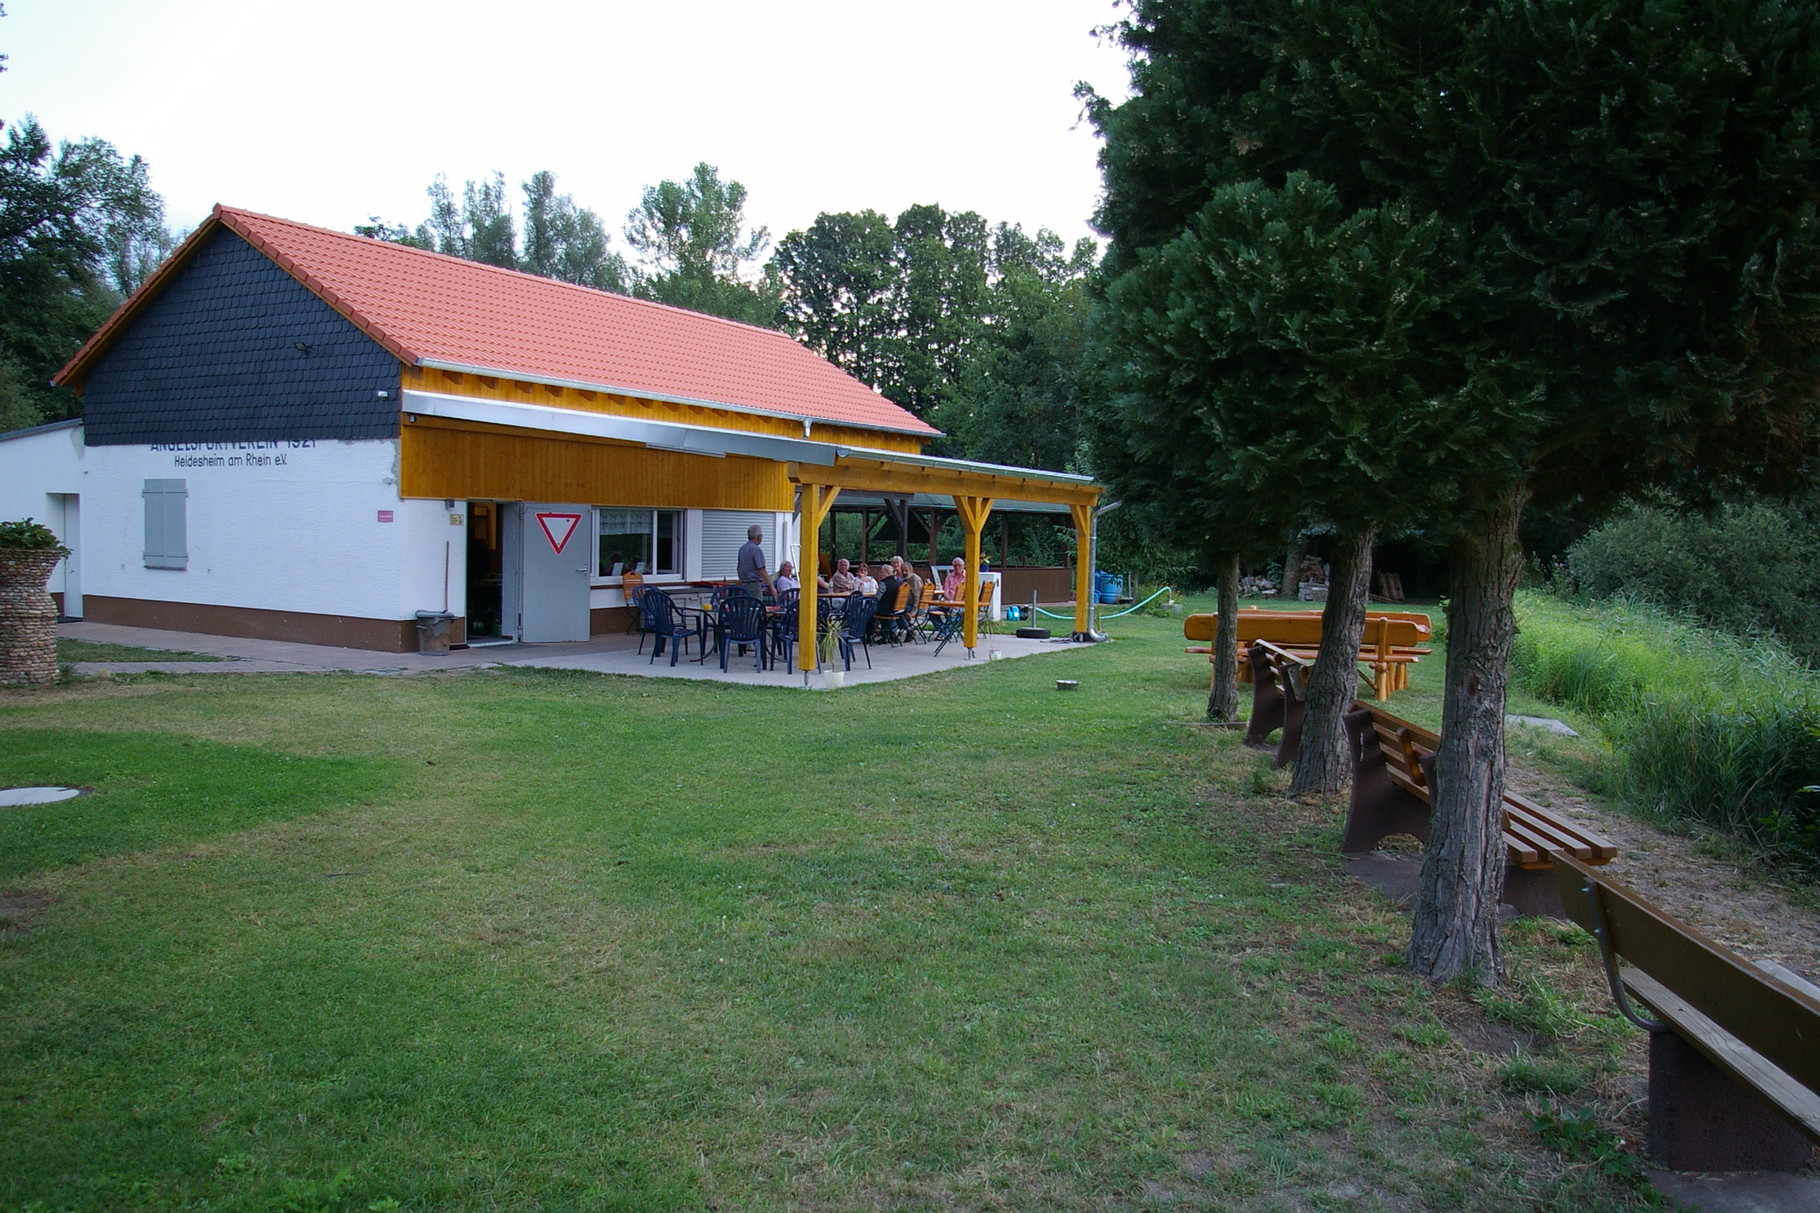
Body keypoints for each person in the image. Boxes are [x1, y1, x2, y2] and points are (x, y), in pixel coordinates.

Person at [736, 524, 774, 601]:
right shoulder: (756, 550)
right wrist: (771, 586)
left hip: (743, 585)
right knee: (756, 608)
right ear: (759, 537)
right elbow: (761, 569)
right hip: (754, 585)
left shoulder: (742, 549)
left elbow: (738, 568)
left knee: (746, 608)